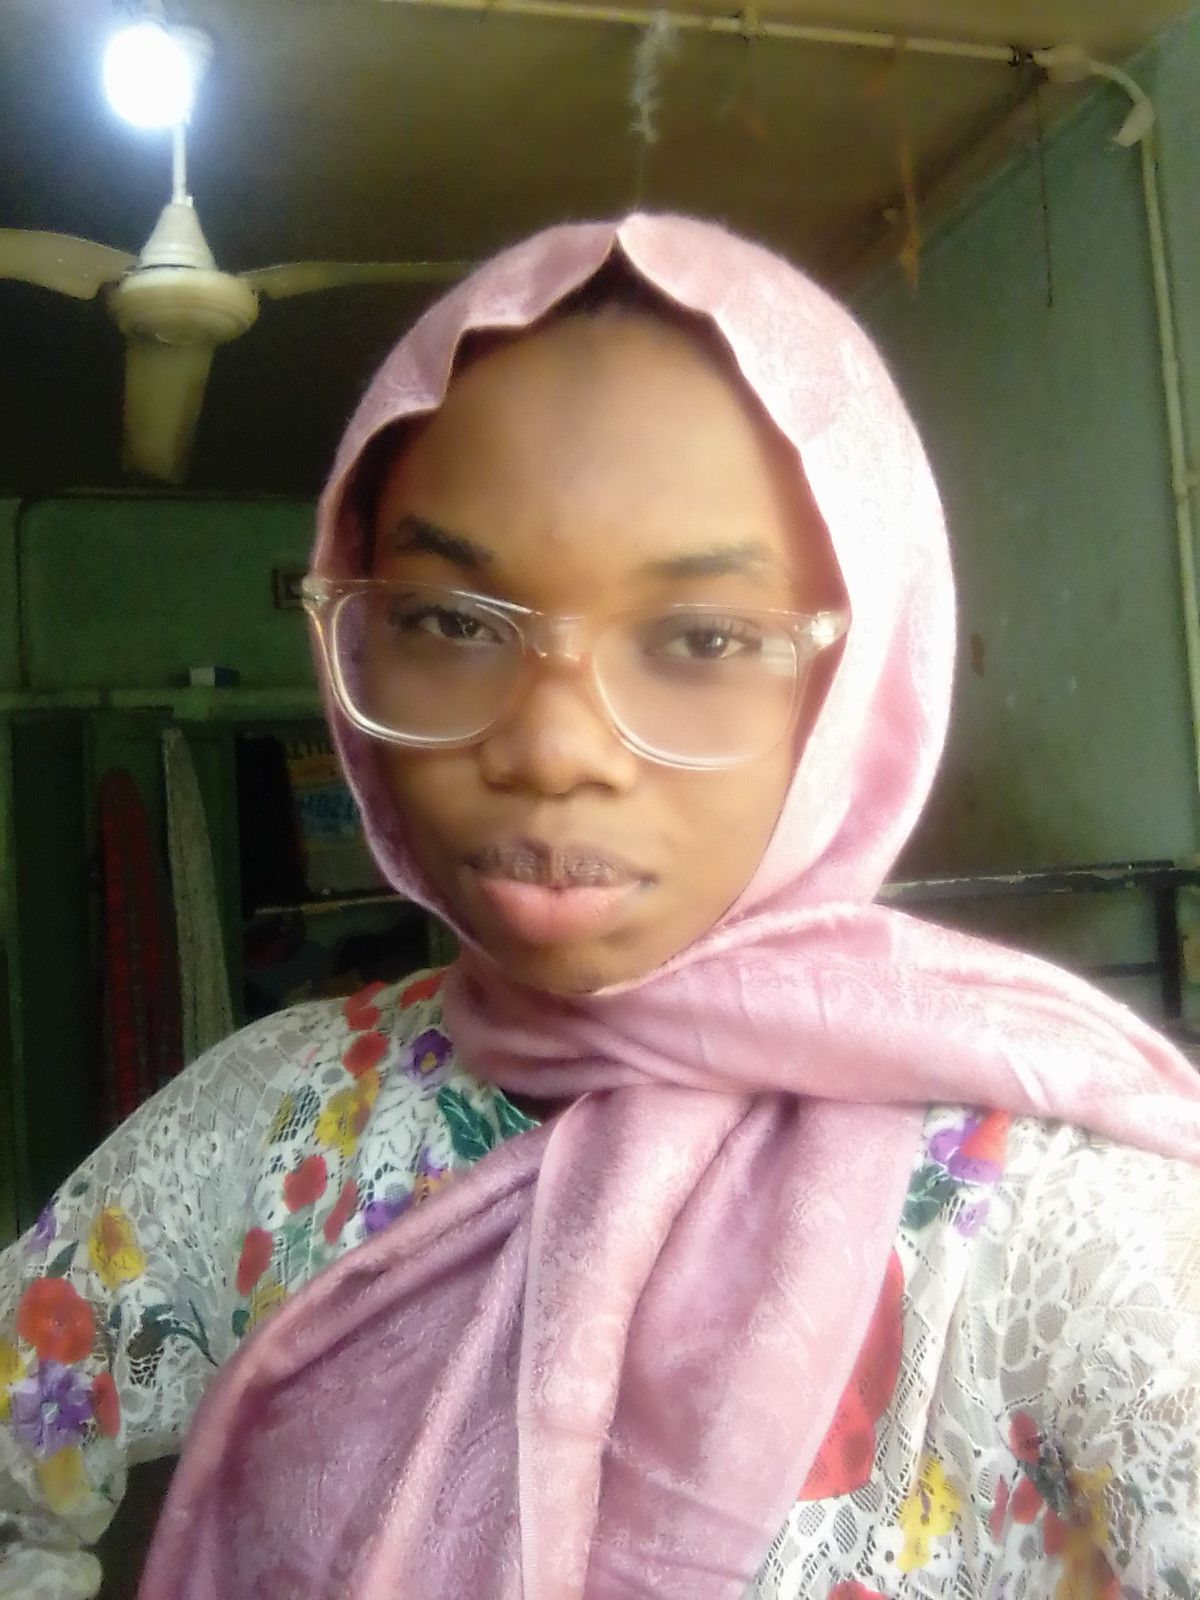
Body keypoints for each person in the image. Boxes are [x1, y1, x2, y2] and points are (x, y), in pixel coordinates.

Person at [1, 214, 1198, 1600]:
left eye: (702, 637)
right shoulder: (273, 1123)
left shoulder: (1062, 1233)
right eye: (452, 621)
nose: (551, 748)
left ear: (856, 683)